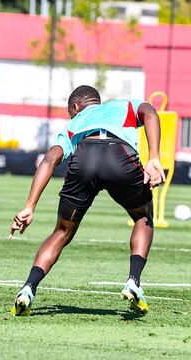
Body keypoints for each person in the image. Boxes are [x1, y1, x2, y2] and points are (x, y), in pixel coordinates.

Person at [9, 85, 165, 316]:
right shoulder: (125, 104)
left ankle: (28, 289)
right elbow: (150, 112)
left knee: (61, 232)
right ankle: (133, 282)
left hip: (84, 159)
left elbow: (49, 159)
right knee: (143, 217)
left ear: (75, 107)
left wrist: (29, 206)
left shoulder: (74, 124)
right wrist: (154, 157)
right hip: (119, 156)